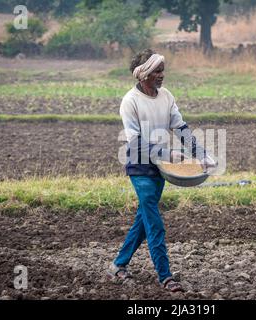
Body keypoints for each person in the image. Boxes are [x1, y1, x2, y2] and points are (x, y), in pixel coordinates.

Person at [107, 49, 216, 292]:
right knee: (154, 222)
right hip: (140, 167)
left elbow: (182, 129)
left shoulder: (166, 96)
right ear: (143, 73)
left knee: (144, 221)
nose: (161, 74)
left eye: (162, 70)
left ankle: (118, 265)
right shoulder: (130, 102)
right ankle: (165, 276)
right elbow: (134, 142)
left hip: (161, 170)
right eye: (157, 70)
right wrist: (166, 154)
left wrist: (203, 156)